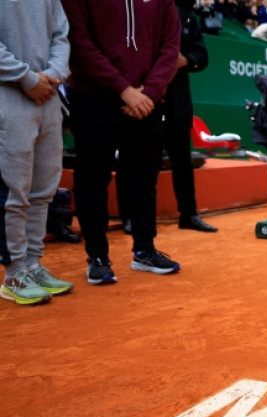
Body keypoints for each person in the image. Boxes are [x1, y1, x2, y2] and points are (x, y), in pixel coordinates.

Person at [63, 0, 182, 285]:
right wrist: (124, 90)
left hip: (147, 100)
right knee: (93, 179)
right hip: (93, 98)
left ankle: (144, 250)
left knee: (144, 179)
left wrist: (150, 92)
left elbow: (170, 47)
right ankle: (98, 257)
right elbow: (79, 43)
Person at [0, 0, 73, 305]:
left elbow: (61, 35)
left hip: (48, 97)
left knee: (43, 191)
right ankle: (14, 273)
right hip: (8, 96)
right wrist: (27, 78)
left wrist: (53, 74)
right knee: (13, 192)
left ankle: (32, 264)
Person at [165, 0, 218, 233]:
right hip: (148, 95)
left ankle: (188, 214)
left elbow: (202, 56)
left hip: (178, 97)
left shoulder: (190, 19)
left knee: (182, 160)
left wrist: (185, 60)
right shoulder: (152, 11)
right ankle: (133, 217)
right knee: (142, 159)